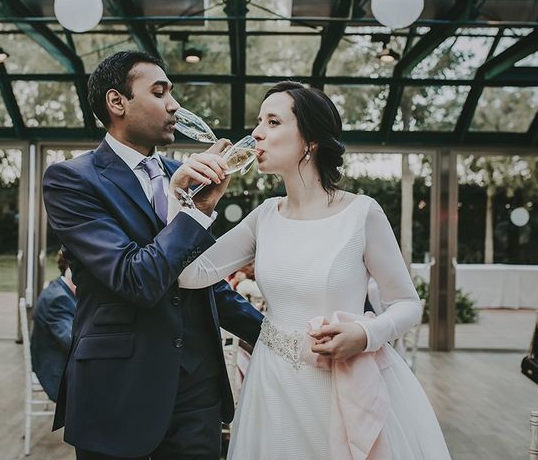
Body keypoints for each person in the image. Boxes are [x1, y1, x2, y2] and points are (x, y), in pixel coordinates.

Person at [176, 82, 451, 459]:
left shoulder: (362, 213)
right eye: (259, 122)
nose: (256, 133)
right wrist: (196, 205)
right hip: (271, 386)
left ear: (310, 140)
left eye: (273, 121)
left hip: (338, 386)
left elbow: (406, 303)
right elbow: (190, 275)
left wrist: (366, 333)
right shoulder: (265, 217)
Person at [42, 50, 263, 460]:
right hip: (118, 391)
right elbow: (134, 279)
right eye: (159, 92)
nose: (174, 105)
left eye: (172, 93)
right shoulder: (72, 180)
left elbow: (204, 280)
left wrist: (275, 338)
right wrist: (194, 211)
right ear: (117, 102)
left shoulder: (188, 173)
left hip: (198, 395)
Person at [30, 250, 76, 402]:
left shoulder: (60, 289)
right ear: (70, 270)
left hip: (60, 364)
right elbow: (73, 344)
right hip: (57, 375)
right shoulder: (59, 299)